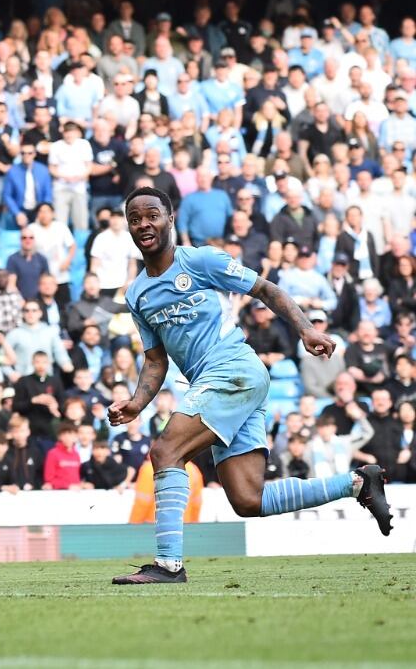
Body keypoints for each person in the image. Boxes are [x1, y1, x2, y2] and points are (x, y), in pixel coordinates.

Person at [108, 186, 391, 585]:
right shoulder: (137, 293)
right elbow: (155, 358)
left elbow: (265, 290)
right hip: (226, 383)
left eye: (152, 215)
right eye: (134, 218)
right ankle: (358, 483)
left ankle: (168, 564)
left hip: (233, 369)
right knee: (247, 499)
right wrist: (138, 402)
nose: (143, 224)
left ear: (171, 219)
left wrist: (305, 329)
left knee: (166, 450)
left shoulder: (201, 260)